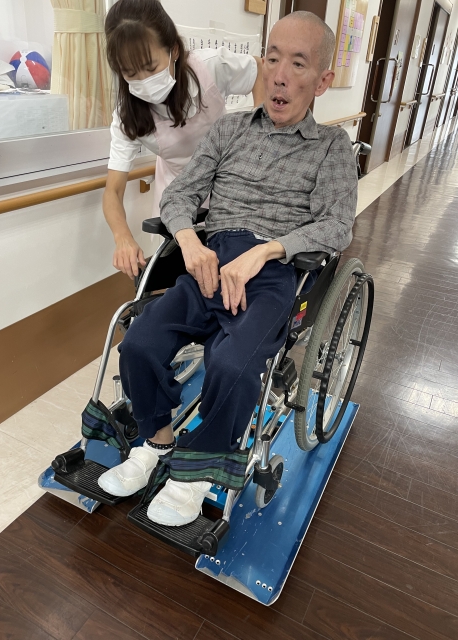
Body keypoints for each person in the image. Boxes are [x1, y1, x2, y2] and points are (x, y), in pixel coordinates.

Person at [98, 11, 358, 526]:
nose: (279, 75)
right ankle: (156, 442)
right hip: (209, 260)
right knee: (140, 342)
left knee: (232, 363)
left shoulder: (332, 148)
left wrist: (266, 252)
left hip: (274, 270)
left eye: (298, 64)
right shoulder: (230, 130)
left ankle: (196, 473)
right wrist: (191, 243)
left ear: (322, 80)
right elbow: (181, 196)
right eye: (273, 59)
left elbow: (336, 226)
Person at [103, 0, 264, 279]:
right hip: (179, 195)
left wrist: (261, 132)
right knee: (185, 274)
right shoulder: (127, 116)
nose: (143, 80)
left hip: (230, 183)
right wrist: (123, 237)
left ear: (174, 50)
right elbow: (112, 191)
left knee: (235, 268)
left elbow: (259, 69)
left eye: (150, 67)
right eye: (130, 73)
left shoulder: (210, 67)